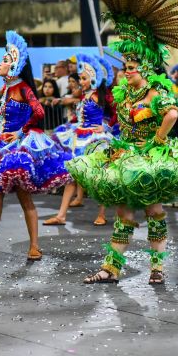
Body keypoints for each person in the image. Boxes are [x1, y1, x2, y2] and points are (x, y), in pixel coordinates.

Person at [67, 0, 178, 284]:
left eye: (132, 66)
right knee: (123, 214)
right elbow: (120, 122)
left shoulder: (155, 92)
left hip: (149, 160)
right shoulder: (124, 93)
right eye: (126, 65)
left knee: (153, 212)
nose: (127, 70)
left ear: (145, 67)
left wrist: (159, 139)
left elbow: (173, 113)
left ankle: (157, 267)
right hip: (125, 156)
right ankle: (111, 267)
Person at [0, 31, 71, 262]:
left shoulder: (23, 88)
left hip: (19, 149)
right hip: (0, 147)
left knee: (24, 199)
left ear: (15, 65)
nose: (1, 63)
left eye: (6, 60)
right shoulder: (7, 89)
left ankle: (34, 246)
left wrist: (20, 132)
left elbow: (39, 111)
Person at [45, 54, 114, 227]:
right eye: (81, 78)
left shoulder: (99, 96)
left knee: (99, 178)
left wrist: (106, 127)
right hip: (79, 138)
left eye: (83, 78)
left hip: (95, 141)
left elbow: (119, 113)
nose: (80, 81)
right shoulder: (86, 96)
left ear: (93, 80)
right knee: (72, 176)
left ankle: (102, 214)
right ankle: (61, 215)